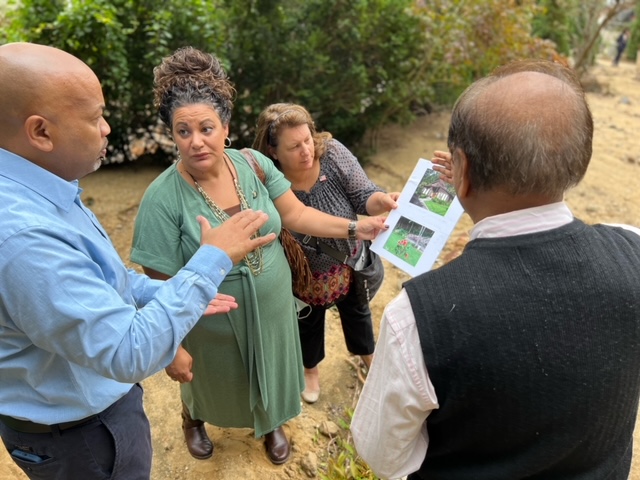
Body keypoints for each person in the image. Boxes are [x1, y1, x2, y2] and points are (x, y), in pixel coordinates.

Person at [351, 59, 640, 480]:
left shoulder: (417, 315)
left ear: (460, 170)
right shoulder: (632, 248)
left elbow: (382, 455)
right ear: (580, 162)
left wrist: (472, 191)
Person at [0, 42, 276, 480]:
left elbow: (109, 283)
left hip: (92, 414)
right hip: (80, 436)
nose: (108, 128)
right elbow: (127, 350)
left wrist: (176, 290)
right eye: (95, 117)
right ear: (41, 132)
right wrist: (211, 260)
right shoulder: (25, 237)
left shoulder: (47, 189)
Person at [130, 47, 387, 465]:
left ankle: (270, 424)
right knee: (211, 379)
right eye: (183, 131)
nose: (196, 141)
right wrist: (171, 348)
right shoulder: (162, 199)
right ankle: (193, 417)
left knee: (273, 367)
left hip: (272, 308)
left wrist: (358, 227)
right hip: (212, 324)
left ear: (225, 127)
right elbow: (158, 284)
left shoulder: (251, 165)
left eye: (206, 128)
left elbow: (297, 213)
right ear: (172, 135)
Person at [252, 103, 399, 404]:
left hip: (348, 261)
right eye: (294, 146)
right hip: (303, 274)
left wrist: (380, 200)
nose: (306, 150)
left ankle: (368, 356)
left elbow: (363, 195)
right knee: (308, 321)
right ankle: (311, 370)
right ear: (273, 151)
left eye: (307, 139)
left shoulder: (331, 153)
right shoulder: (266, 181)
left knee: (357, 310)